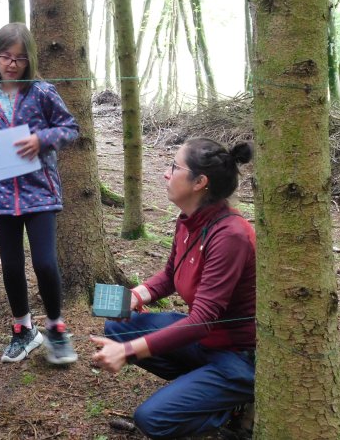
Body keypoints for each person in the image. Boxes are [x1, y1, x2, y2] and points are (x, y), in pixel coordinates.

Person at [91, 138, 256, 439]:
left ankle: (230, 408)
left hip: (235, 355)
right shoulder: (189, 221)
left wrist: (127, 352)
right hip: (205, 343)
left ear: (200, 182)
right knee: (116, 327)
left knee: (152, 420)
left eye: (174, 167)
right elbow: (170, 275)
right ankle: (200, 391)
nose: (167, 174)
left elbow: (203, 320)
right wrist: (135, 296)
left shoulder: (231, 235)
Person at [0, 22, 80, 365]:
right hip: (3, 194)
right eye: (5, 56)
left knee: (46, 263)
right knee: (11, 266)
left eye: (19, 58)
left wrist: (41, 140)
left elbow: (70, 129)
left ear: (29, 59)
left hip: (40, 193)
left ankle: (56, 328)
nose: (12, 64)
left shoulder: (43, 92)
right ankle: (22, 329)